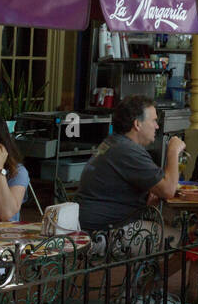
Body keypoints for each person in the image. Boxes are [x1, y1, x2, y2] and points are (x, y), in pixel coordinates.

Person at [78, 95, 184, 234]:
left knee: (165, 226)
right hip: (104, 232)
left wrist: (148, 191)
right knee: (177, 238)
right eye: (153, 121)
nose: (157, 126)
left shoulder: (115, 142)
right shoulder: (127, 151)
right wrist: (173, 151)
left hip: (91, 223)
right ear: (137, 124)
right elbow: (168, 190)